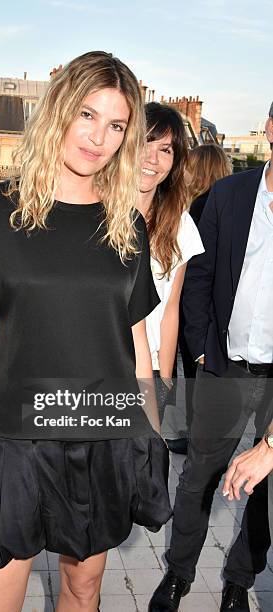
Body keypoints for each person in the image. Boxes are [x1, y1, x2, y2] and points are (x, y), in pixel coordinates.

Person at [0, 51, 172, 612]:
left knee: (83, 588)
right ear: (59, 111)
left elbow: (136, 340)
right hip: (17, 442)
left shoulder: (126, 225)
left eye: (116, 125)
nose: (99, 137)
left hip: (102, 436)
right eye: (88, 115)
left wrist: (149, 434)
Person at [149, 102, 273, 612]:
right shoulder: (229, 194)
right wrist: (199, 350)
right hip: (225, 365)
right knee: (200, 474)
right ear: (269, 128)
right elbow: (196, 278)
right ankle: (178, 576)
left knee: (266, 489)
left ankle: (239, 580)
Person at [138, 102, 204, 424]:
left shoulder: (180, 226)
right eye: (144, 143)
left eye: (165, 149)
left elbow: (171, 308)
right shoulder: (94, 213)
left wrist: (164, 378)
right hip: (95, 366)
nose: (152, 158)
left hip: (147, 369)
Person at [169, 143, 232, 455]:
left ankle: (197, 441)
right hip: (216, 311)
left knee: (197, 379)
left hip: (196, 309)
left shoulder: (199, 209)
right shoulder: (226, 205)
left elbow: (194, 267)